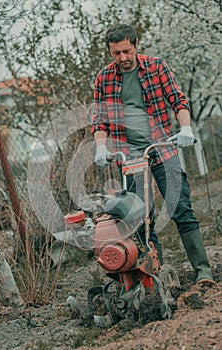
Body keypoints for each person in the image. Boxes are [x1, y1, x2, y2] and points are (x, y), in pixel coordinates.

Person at [91, 24, 214, 284]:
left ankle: (203, 271)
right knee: (140, 219)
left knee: (181, 208)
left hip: (162, 148)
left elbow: (178, 101)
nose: (122, 57)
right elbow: (100, 121)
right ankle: (155, 279)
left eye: (127, 50)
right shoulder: (104, 78)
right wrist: (101, 146)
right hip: (129, 157)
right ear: (109, 52)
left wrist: (186, 127)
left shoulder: (157, 67)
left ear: (135, 45)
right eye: (116, 53)